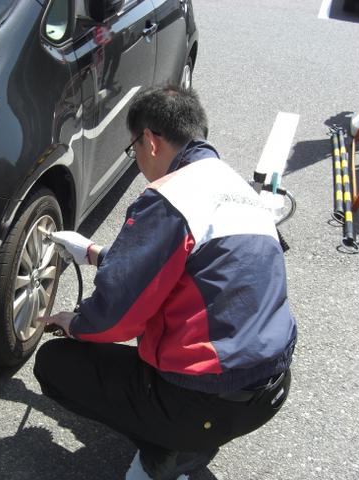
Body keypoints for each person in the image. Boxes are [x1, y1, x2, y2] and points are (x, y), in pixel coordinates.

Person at [33, 86, 297, 480]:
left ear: (151, 141)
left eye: (133, 150)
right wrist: (94, 253)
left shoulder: (170, 198)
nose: (138, 162)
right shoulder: (239, 191)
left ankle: (172, 448)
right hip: (269, 389)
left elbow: (115, 321)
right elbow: (191, 271)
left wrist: (75, 323)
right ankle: (186, 435)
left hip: (204, 398)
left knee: (55, 364)